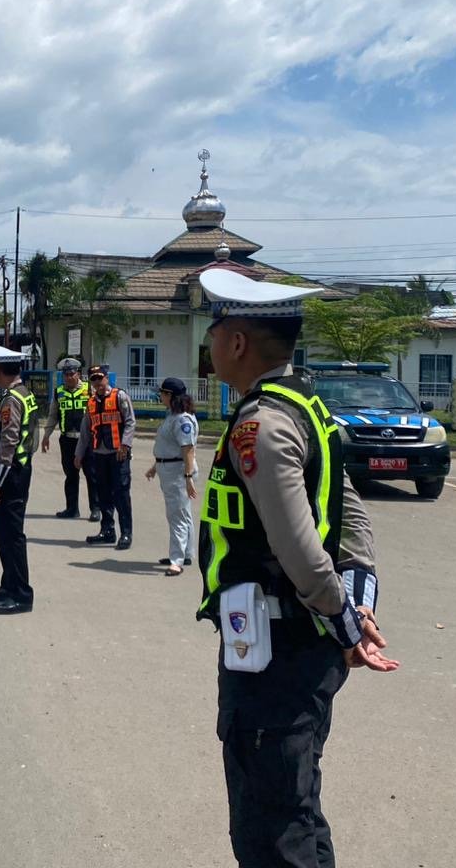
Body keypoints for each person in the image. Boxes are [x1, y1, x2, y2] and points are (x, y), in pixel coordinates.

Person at [196, 267, 399, 868]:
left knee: (271, 830)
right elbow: (353, 519)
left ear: (236, 342)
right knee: (298, 811)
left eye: (213, 331)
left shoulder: (262, 423)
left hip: (274, 659)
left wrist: (345, 622)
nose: (208, 345)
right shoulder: (309, 408)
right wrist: (357, 606)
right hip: (300, 651)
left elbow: (298, 546)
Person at [0, 345, 39, 614]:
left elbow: (9, 442)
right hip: (17, 471)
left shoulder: (12, 400)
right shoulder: (23, 394)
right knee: (3, 534)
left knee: (12, 536)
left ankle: (22, 595)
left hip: (11, 474)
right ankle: (8, 584)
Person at [75, 365, 136, 549]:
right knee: (103, 495)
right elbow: (85, 430)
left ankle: (126, 533)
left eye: (100, 379)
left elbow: (131, 422)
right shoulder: (91, 402)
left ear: (106, 378)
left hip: (118, 454)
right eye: (93, 380)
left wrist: (125, 445)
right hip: (98, 455)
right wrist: (79, 454)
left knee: (121, 494)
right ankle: (107, 531)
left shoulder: (120, 396)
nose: (97, 383)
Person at [144, 377, 198, 576]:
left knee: (177, 516)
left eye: (163, 393)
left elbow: (187, 449)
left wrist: (188, 476)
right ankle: (185, 553)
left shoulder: (182, 419)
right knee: (183, 514)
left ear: (170, 396)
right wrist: (155, 467)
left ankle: (177, 561)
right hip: (170, 468)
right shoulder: (173, 415)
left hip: (178, 472)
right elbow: (169, 448)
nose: (160, 396)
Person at [41, 357, 100, 521]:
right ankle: (72, 508)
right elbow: (53, 415)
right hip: (67, 440)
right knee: (71, 475)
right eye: (65, 374)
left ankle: (95, 508)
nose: (68, 377)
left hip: (88, 440)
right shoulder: (59, 392)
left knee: (92, 474)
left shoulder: (90, 390)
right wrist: (46, 436)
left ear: (79, 374)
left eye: (71, 374)